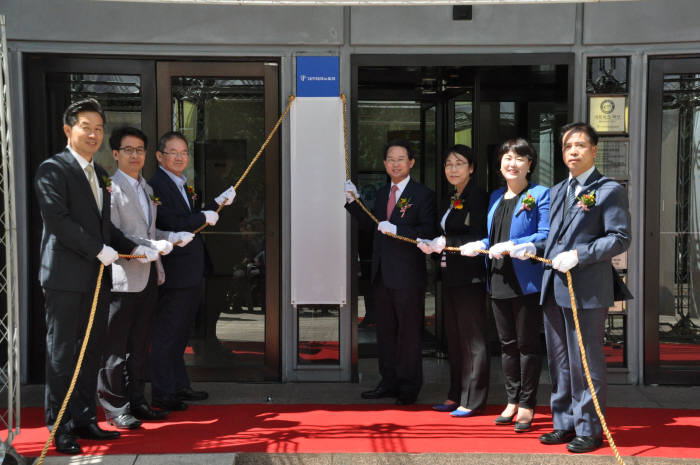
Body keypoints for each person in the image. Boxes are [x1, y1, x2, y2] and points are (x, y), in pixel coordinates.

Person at [34, 99, 147, 454]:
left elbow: (105, 229)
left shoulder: (99, 174)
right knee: (63, 353)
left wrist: (137, 248)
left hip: (98, 279)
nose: (94, 134)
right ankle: (60, 426)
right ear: (68, 130)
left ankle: (84, 419)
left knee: (90, 351)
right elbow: (59, 221)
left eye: (99, 128)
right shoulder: (53, 169)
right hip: (66, 279)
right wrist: (98, 250)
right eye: (87, 126)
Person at [511, 123, 631, 453]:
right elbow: (554, 236)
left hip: (587, 288)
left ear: (594, 150)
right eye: (567, 146)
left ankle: (590, 429)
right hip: (554, 286)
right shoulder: (558, 189)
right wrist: (535, 250)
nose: (573, 151)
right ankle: (563, 422)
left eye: (580, 145)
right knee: (560, 360)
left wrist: (581, 254)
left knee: (585, 361)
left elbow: (620, 238)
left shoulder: (608, 190)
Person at [97, 127, 195, 429]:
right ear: (115, 154)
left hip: (150, 276)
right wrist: (143, 247)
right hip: (123, 278)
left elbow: (151, 232)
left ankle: (138, 400)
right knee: (115, 347)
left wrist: (172, 237)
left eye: (139, 149)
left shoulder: (145, 189)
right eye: (128, 149)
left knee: (140, 345)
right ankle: (116, 408)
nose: (135, 155)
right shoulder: (110, 188)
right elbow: (112, 232)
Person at [461, 138, 550, 432]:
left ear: (530, 164)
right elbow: (494, 236)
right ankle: (511, 400)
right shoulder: (497, 196)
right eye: (507, 157)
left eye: (519, 158)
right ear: (500, 164)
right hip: (498, 278)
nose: (512, 163)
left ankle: (527, 403)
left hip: (525, 281)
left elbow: (545, 234)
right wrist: (479, 244)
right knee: (507, 345)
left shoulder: (539, 195)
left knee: (527, 345)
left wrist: (516, 244)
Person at [344, 139, 436, 405]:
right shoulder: (384, 194)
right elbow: (373, 224)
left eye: (401, 158)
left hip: (408, 276)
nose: (395, 164)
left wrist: (399, 231)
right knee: (384, 333)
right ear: (384, 164)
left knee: (407, 334)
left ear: (411, 162)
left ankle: (409, 386)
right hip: (382, 274)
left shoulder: (423, 194)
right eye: (390, 159)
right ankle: (389, 381)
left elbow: (428, 233)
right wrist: (352, 202)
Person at [149, 131, 235, 411]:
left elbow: (192, 219)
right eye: (172, 152)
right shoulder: (157, 185)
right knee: (168, 333)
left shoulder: (183, 184)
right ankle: (163, 392)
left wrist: (216, 204)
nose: (179, 157)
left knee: (182, 333)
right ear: (160, 156)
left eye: (183, 152)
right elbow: (170, 220)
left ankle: (180, 385)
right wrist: (203, 216)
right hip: (175, 271)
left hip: (191, 270)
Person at [417, 145, 489, 417]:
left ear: (471, 168)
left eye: (459, 163)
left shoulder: (477, 196)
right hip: (450, 276)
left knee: (473, 340)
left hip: (469, 276)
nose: (453, 169)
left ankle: (473, 399)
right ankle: (456, 394)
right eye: (448, 164)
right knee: (455, 339)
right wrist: (433, 245)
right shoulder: (453, 196)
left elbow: (480, 235)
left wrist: (448, 242)